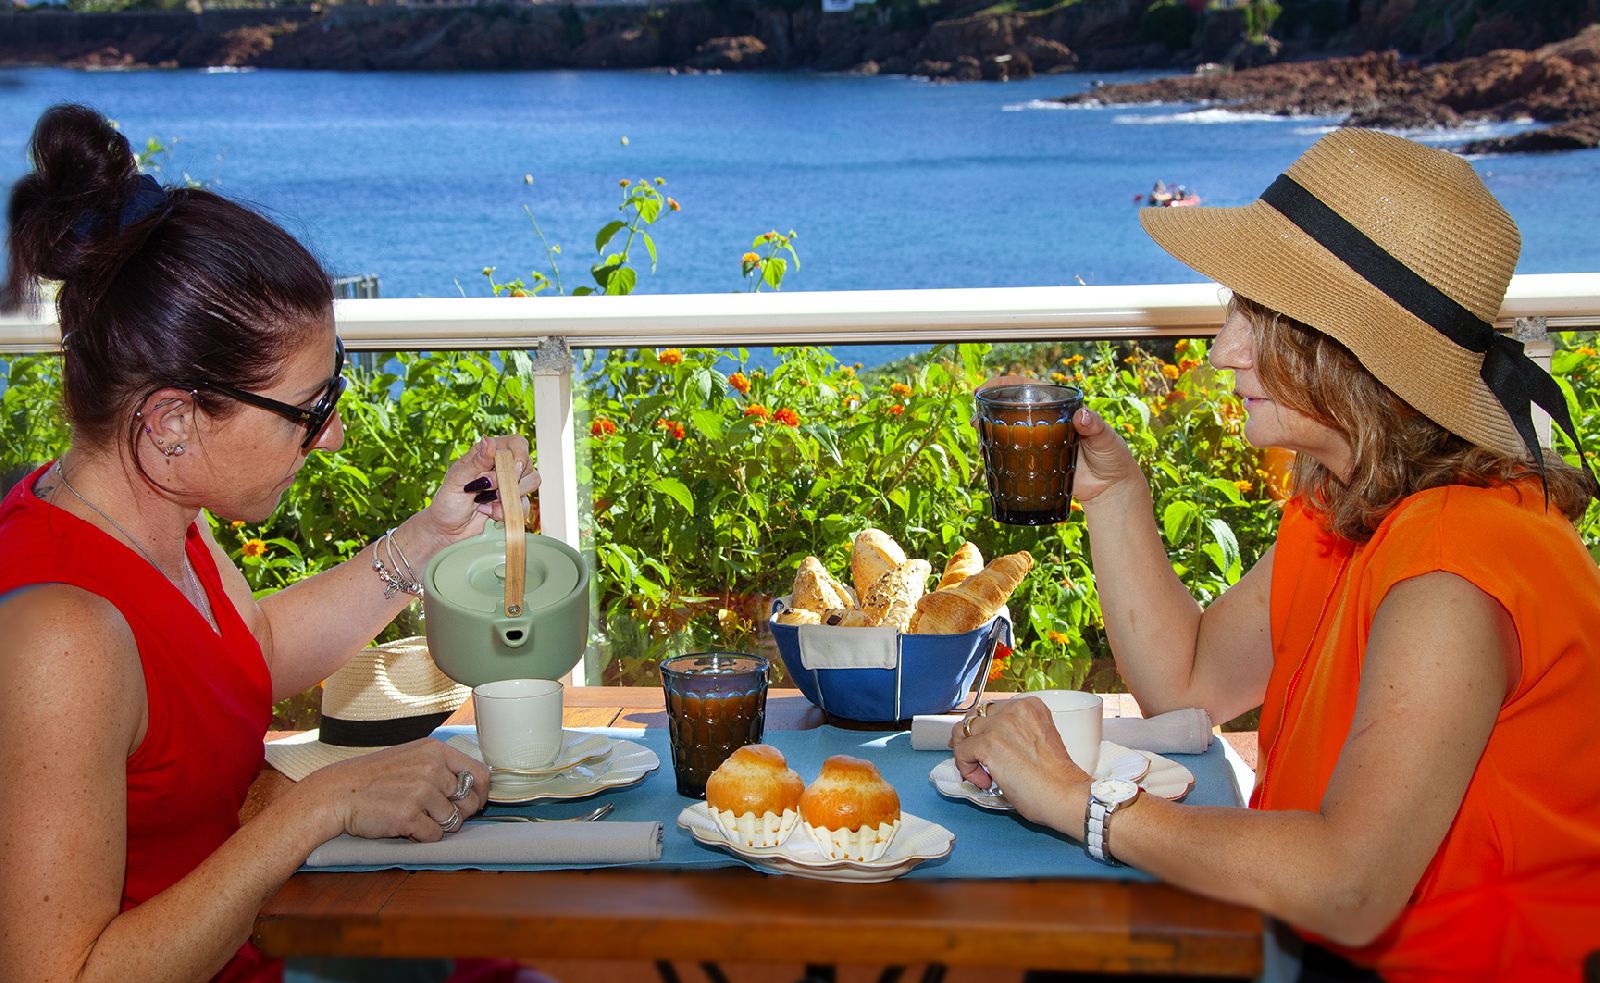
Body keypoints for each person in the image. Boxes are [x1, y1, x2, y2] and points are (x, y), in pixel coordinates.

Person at [954, 128, 1600, 980]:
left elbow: (1347, 885)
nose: (1224, 348)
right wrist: (1114, 495)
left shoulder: (1454, 560)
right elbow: (1188, 682)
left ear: (1353, 354)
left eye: (1258, 318)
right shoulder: (1348, 501)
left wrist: (1079, 801)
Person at [0, 104, 538, 983]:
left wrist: (433, 536)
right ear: (173, 422)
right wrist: (319, 805)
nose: (331, 435)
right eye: (309, 409)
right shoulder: (61, 634)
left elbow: (240, 659)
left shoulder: (154, 522)